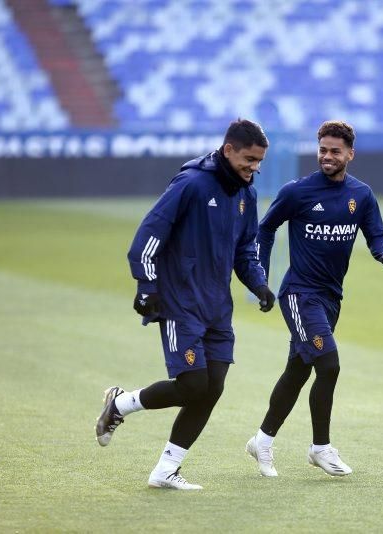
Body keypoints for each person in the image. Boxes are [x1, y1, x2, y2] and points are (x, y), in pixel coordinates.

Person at [94, 119, 276, 490]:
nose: (254, 167)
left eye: (259, 161)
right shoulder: (191, 184)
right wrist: (147, 286)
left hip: (217, 307)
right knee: (194, 385)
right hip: (181, 302)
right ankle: (121, 404)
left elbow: (245, 250)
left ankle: (164, 471)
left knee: (213, 388)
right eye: (249, 159)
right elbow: (150, 232)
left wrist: (259, 285)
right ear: (228, 150)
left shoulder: (247, 195)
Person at [245, 120, 383, 477]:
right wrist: (260, 276)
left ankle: (262, 441)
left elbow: (376, 235)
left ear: (350, 154)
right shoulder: (297, 192)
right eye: (322, 150)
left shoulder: (361, 195)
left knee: (297, 372)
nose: (327, 157)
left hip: (331, 299)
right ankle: (320, 448)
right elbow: (265, 229)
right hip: (299, 295)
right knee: (328, 364)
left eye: (335, 151)